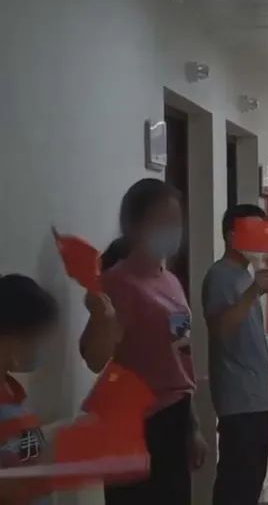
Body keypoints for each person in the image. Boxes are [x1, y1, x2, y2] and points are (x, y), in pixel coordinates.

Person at [81, 178, 206, 505]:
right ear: (133, 227)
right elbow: (94, 358)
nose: (172, 229)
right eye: (162, 221)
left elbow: (181, 358)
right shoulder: (118, 282)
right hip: (137, 424)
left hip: (175, 417)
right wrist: (102, 318)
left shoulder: (172, 282)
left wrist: (192, 426)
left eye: (176, 221)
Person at [200, 204, 268, 505]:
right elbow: (220, 328)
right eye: (253, 231)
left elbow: (250, 332)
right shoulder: (220, 276)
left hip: (256, 393)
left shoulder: (245, 275)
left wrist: (267, 378)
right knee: (237, 480)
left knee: (252, 477)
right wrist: (253, 292)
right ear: (232, 236)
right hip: (238, 396)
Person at [0, 274, 60, 504]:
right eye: (37, 339)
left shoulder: (10, 393)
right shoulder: (7, 414)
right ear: (11, 342)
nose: (41, 348)